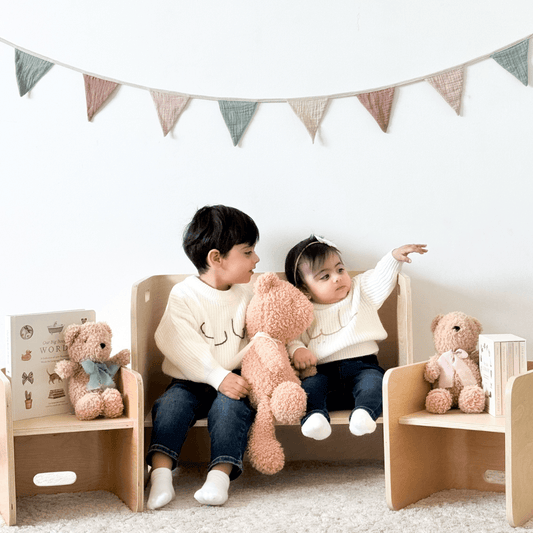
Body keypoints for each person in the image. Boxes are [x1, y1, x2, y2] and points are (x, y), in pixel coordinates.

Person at [146, 205, 260, 510]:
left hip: (234, 380)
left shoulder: (248, 295)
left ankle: (218, 477)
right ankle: (160, 475)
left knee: (231, 412)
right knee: (169, 407)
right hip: (190, 380)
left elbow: (264, 332)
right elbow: (176, 341)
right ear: (216, 258)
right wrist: (215, 375)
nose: (257, 259)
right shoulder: (184, 295)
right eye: (248, 252)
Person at [284, 236, 427, 441]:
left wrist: (394, 257)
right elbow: (291, 338)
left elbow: (380, 278)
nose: (337, 278)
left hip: (363, 367)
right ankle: (315, 418)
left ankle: (364, 413)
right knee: (308, 390)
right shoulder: (302, 310)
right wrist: (298, 350)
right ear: (305, 290)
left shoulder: (360, 292)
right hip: (322, 371)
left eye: (340, 269)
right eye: (325, 276)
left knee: (377, 384)